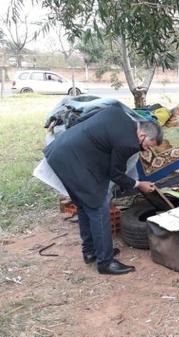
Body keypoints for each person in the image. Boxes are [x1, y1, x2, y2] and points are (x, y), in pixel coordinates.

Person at [43, 106, 162, 275]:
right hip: (73, 161)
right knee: (99, 208)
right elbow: (116, 175)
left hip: (60, 151)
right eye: (148, 146)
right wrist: (139, 184)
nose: (147, 150)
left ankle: (91, 252)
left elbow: (81, 120)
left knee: (85, 205)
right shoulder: (128, 143)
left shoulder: (117, 112)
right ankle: (105, 262)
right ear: (142, 135)